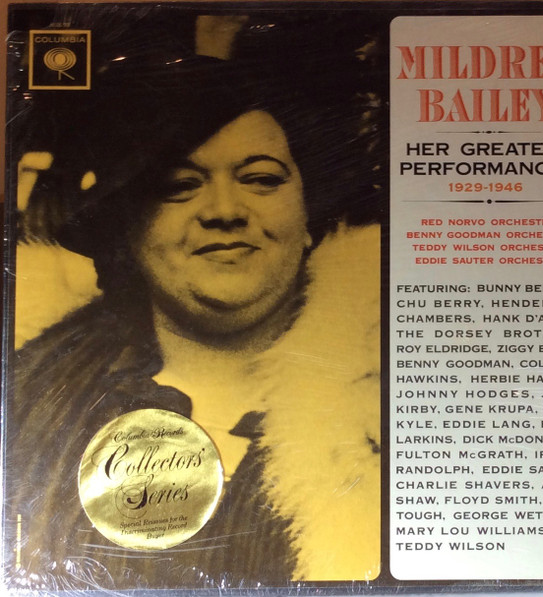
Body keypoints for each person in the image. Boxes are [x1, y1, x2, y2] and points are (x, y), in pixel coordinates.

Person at [5, 44, 381, 590]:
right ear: (126, 232)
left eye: (262, 179)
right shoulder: (35, 393)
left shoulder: (391, 403)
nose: (225, 211)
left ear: (309, 215)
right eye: (180, 186)